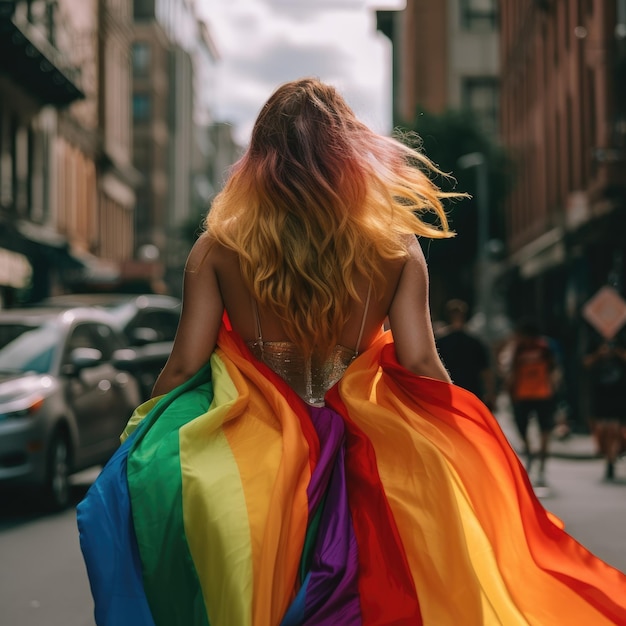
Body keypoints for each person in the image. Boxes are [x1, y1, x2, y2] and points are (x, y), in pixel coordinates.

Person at [77, 78, 626, 626]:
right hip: (365, 449)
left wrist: (139, 438)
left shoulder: (219, 247)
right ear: (349, 152)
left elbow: (184, 365)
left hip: (252, 453)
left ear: (259, 156)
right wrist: (468, 437)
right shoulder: (395, 246)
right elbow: (419, 362)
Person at [506, 318, 559, 486]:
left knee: (542, 430)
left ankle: (539, 463)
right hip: (531, 394)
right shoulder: (527, 348)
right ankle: (533, 456)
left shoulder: (540, 347)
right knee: (530, 429)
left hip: (537, 394)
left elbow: (554, 369)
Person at [435, 299, 496, 409]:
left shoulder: (440, 341)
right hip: (470, 391)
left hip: (451, 390)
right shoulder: (474, 341)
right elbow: (485, 370)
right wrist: (490, 393)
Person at [583, 337, 626, 481]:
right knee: (602, 429)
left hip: (618, 393)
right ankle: (607, 454)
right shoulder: (593, 339)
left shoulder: (622, 338)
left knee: (614, 428)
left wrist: (617, 351)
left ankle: (611, 461)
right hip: (599, 394)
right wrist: (599, 354)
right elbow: (585, 363)